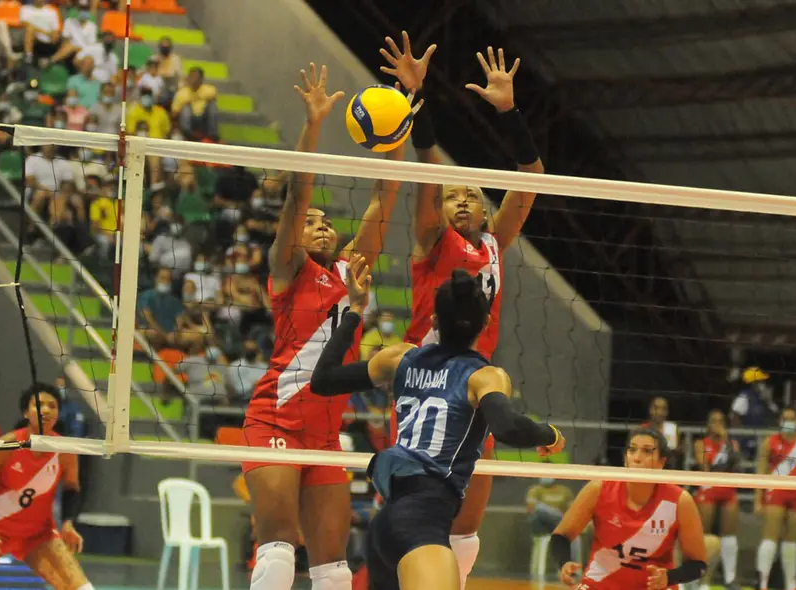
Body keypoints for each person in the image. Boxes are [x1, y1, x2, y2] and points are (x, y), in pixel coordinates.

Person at [379, 33, 545, 588]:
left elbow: (533, 178)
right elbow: (429, 167)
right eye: (454, 194)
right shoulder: (431, 240)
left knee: (466, 523)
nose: (466, 198)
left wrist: (509, 112)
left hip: (476, 389)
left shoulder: (497, 241)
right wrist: (414, 96)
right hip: (426, 382)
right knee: (418, 517)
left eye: (473, 192)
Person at [239, 63, 407, 590]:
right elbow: (296, 198)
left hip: (326, 433)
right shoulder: (288, 269)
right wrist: (313, 125)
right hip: (275, 420)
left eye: (327, 221)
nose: (322, 224)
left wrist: (398, 125)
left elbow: (387, 200)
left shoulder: (350, 270)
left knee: (334, 567)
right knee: (279, 549)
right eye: (314, 222)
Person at [309, 262, 565, 590]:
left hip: (386, 524)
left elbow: (323, 380)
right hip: (423, 522)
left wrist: (355, 310)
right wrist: (551, 434)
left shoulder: (400, 358)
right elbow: (508, 427)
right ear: (486, 323)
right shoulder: (484, 375)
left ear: (433, 321)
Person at [0, 384, 92, 590]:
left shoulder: (65, 449)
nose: (46, 410)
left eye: (52, 406)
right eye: (39, 405)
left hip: (38, 535)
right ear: (26, 412)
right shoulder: (7, 444)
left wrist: (68, 523)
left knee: (81, 588)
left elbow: (71, 488)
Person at [552, 429, 708, 590]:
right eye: (632, 449)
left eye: (647, 451)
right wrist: (563, 563)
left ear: (661, 462)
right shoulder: (599, 488)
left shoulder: (680, 501)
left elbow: (699, 565)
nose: (637, 457)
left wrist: (669, 577)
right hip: (599, 585)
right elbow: (561, 536)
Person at [754, 407, 796, 590]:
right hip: (776, 492)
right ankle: (762, 583)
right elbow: (761, 471)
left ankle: (791, 584)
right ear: (780, 421)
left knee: (791, 540)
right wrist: (759, 500)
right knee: (770, 538)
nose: (789, 421)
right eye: (785, 417)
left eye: (792, 418)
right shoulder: (769, 442)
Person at [693, 410, 740, 590]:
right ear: (708, 424)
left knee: (729, 535)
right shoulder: (701, 444)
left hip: (728, 489)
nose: (717, 424)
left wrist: (726, 441)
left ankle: (730, 578)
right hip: (708, 488)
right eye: (714, 421)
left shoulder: (732, 444)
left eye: (721, 421)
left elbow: (736, 464)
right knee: (703, 535)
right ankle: (698, 577)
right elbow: (704, 466)